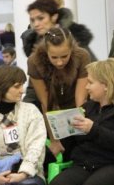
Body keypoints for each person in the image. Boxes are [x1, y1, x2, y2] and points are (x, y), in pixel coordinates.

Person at [47, 59, 114, 185]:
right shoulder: (87, 107)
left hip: (110, 164)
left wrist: (93, 129)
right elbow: (73, 141)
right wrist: (62, 136)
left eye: (91, 83)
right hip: (83, 163)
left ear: (106, 85)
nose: (87, 87)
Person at [27, 27, 90, 161]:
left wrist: (82, 125)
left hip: (74, 103)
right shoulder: (34, 61)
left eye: (64, 56)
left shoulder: (82, 56)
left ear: (72, 49)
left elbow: (81, 99)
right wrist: (54, 139)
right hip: (50, 107)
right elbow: (46, 103)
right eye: (54, 57)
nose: (59, 62)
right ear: (46, 51)